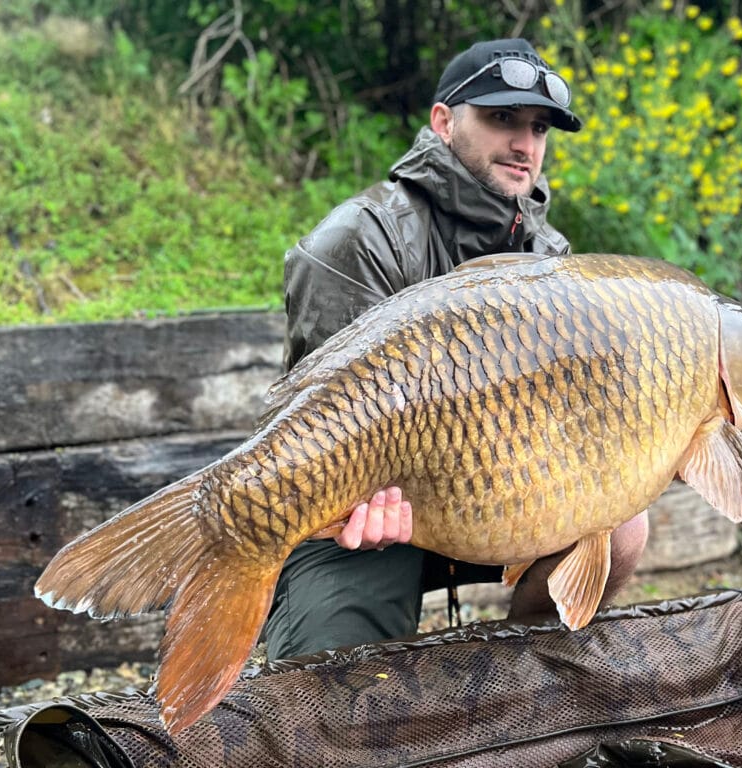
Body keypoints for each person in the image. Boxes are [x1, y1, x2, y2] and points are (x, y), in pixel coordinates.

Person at [264, 38, 649, 660]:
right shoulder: (360, 238)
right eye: (502, 119)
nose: (525, 144)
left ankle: (515, 669)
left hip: (492, 502)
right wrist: (351, 503)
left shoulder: (550, 261)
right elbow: (329, 431)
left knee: (623, 524)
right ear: (444, 122)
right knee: (329, 684)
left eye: (539, 127)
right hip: (361, 514)